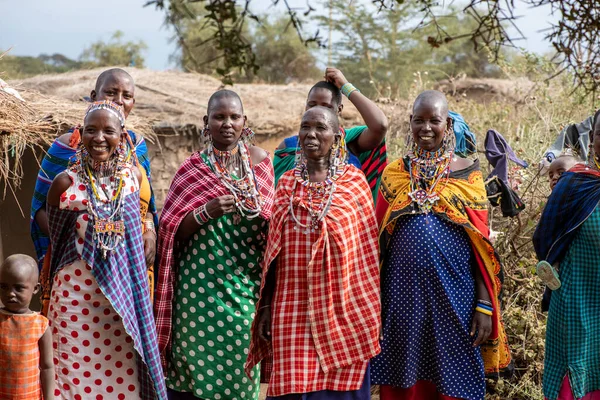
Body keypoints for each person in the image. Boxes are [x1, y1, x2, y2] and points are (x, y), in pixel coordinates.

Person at [372, 90, 511, 400]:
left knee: (455, 379)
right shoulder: (395, 174)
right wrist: (373, 305)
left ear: (447, 125)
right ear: (409, 123)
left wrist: (485, 304)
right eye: (418, 120)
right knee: (402, 379)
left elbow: (482, 250)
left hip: (457, 299)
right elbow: (376, 244)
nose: (426, 128)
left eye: (434, 121)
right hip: (401, 299)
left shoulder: (469, 175)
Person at [246, 106, 381, 399]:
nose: (311, 134)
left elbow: (367, 257)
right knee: (295, 387)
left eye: (320, 128)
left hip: (345, 310)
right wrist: (266, 305)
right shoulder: (286, 185)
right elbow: (273, 256)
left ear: (336, 136)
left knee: (341, 389)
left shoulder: (354, 183)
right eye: (305, 127)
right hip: (292, 307)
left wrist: (371, 312)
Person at [155, 90, 275, 400]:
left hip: (244, 287)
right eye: (219, 117)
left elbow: (272, 226)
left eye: (234, 117)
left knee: (241, 373)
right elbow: (171, 233)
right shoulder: (192, 169)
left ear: (244, 121)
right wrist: (204, 212)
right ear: (206, 123)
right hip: (197, 293)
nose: (227, 123)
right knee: (191, 372)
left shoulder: (261, 164)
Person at [46, 101, 167, 399]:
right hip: (76, 301)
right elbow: (56, 237)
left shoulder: (132, 179)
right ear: (81, 134)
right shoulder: (64, 183)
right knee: (72, 375)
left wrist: (148, 232)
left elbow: (143, 217)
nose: (99, 137)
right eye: (91, 130)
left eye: (108, 131)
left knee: (122, 377)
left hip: (121, 300)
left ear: (122, 135)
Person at [31, 68, 157, 312]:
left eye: (126, 95)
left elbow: (146, 206)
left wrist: (149, 233)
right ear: (93, 95)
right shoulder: (66, 147)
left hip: (128, 265)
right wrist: (82, 239)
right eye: (110, 92)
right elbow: (40, 209)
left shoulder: (137, 147)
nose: (119, 101)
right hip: (77, 266)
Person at [533, 109, 600, 400]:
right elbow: (544, 239)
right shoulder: (576, 184)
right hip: (578, 306)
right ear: (592, 140)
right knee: (578, 382)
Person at [274, 67, 388, 200]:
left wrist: (346, 86)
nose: (317, 110)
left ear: (339, 109)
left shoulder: (350, 142)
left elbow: (380, 125)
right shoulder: (288, 147)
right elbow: (277, 199)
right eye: (312, 105)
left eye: (326, 106)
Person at [0, 254, 54, 400]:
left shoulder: (40, 325)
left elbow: (47, 367)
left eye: (19, 288)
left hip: (29, 395)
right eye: (4, 286)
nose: (10, 293)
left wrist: (50, 397)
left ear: (35, 288)